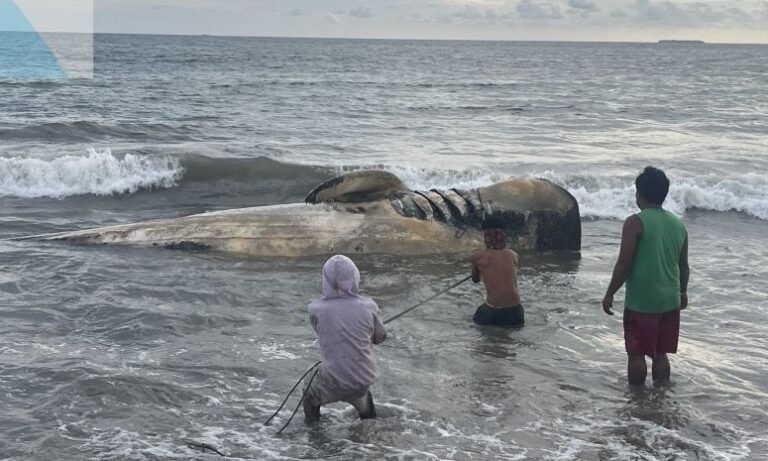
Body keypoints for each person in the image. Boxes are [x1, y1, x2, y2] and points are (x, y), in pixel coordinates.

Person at [602, 166, 689, 386]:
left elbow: (624, 263)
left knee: (637, 353)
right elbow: (683, 265)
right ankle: (660, 397)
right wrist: (683, 292)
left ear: (639, 194)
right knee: (661, 353)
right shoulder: (678, 224)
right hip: (670, 300)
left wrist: (610, 293)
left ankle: (638, 400)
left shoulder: (634, 222)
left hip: (642, 301)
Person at [303, 255, 387, 424]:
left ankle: (313, 433)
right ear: (355, 277)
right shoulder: (369, 307)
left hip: (332, 381)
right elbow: (380, 337)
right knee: (367, 410)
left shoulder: (315, 309)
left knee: (309, 393)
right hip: (361, 382)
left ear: (325, 281)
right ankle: (369, 430)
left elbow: (323, 333)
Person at [470, 216, 524, 326]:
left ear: (486, 236)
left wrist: (477, 268)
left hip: (494, 312)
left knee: (473, 322)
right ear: (503, 236)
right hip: (516, 312)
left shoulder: (478, 257)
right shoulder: (513, 255)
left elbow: (475, 280)